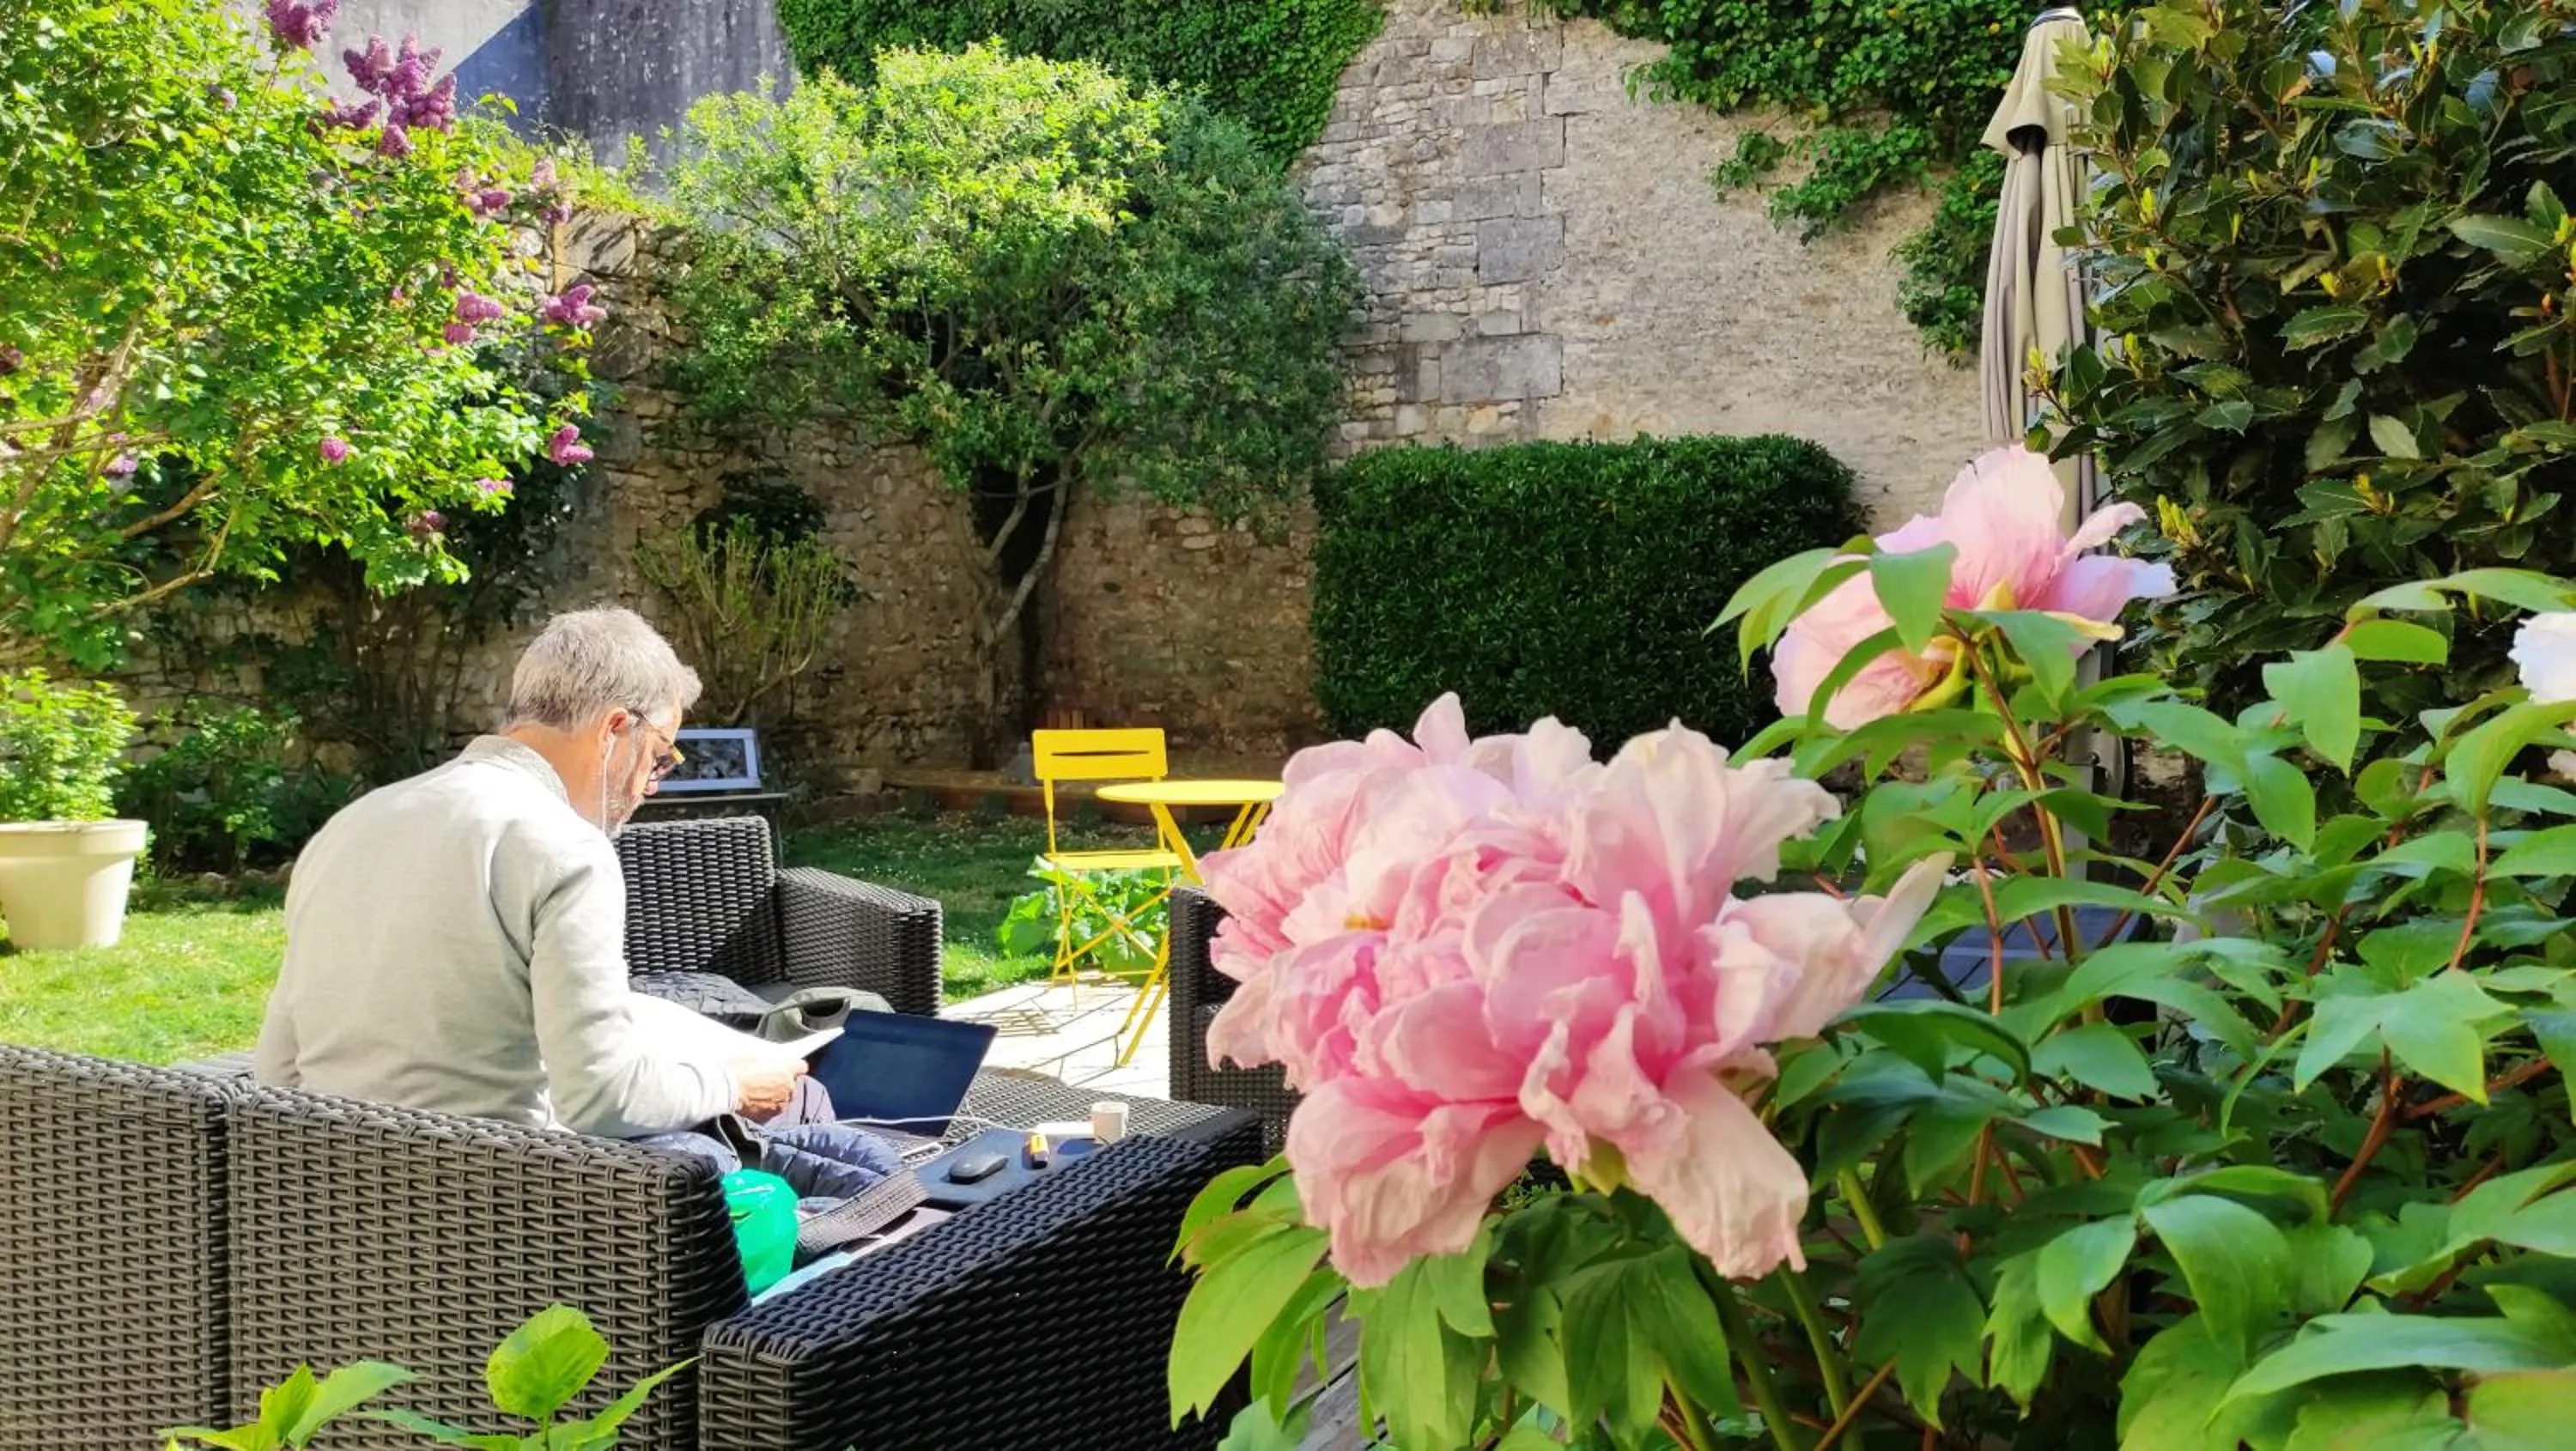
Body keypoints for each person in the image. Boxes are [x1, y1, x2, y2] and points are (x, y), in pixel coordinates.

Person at [254, 605, 894, 1196]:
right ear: (616, 729)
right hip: (517, 1205)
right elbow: (601, 1100)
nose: (651, 786)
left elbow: (279, 1071)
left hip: (338, 1192)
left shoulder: (352, 824)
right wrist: (735, 1084)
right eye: (660, 757)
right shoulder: (563, 846)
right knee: (845, 1154)